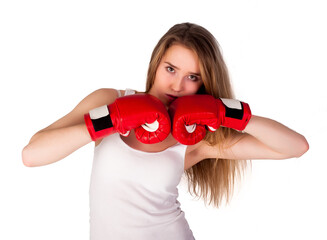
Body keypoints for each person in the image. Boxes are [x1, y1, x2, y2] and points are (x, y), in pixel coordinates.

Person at [22, 22, 309, 240]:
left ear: (202, 84)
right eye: (170, 69)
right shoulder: (110, 100)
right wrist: (110, 119)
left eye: (192, 77)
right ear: (156, 64)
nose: (176, 85)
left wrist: (225, 112)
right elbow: (32, 154)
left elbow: (296, 147)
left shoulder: (196, 137)